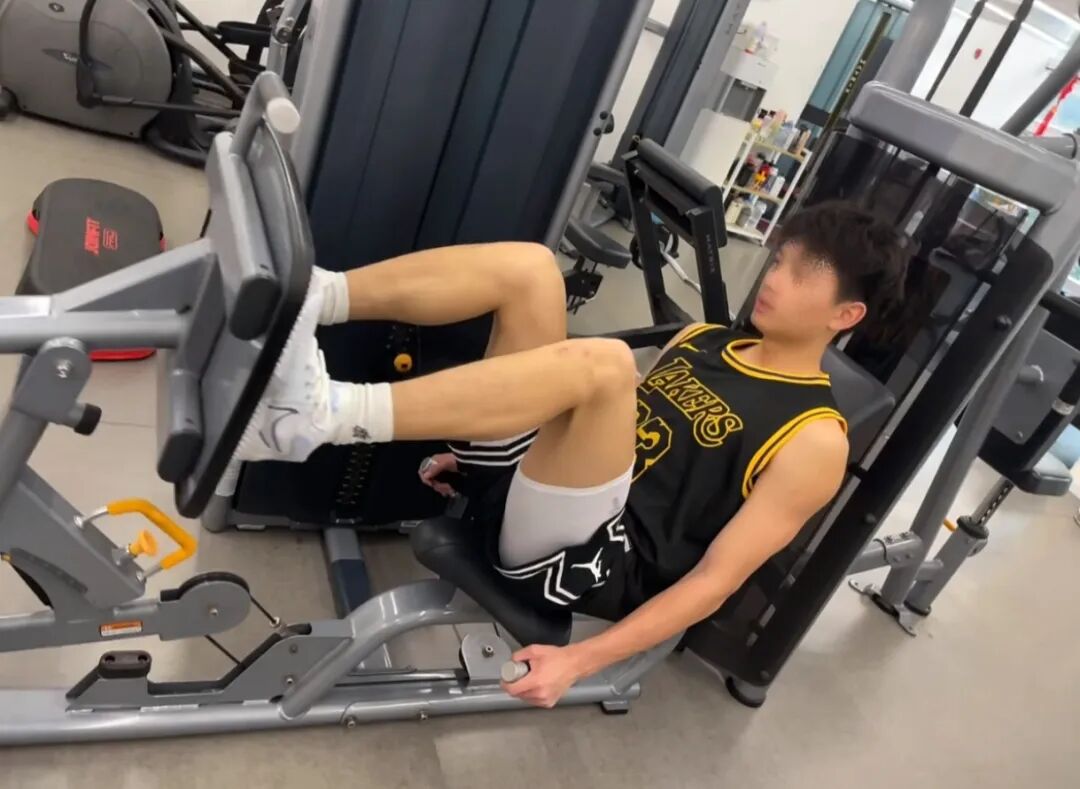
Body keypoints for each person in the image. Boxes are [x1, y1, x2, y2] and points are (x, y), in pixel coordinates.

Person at [234, 200, 908, 708]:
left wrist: (579, 662)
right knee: (532, 269)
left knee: (606, 365)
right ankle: (312, 297)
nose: (775, 276)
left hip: (594, 562)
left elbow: (715, 582)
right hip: (551, 494)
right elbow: (614, 436)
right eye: (782, 258)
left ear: (844, 315)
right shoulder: (705, 339)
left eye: (803, 274)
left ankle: (319, 417)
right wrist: (487, 456)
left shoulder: (816, 438)